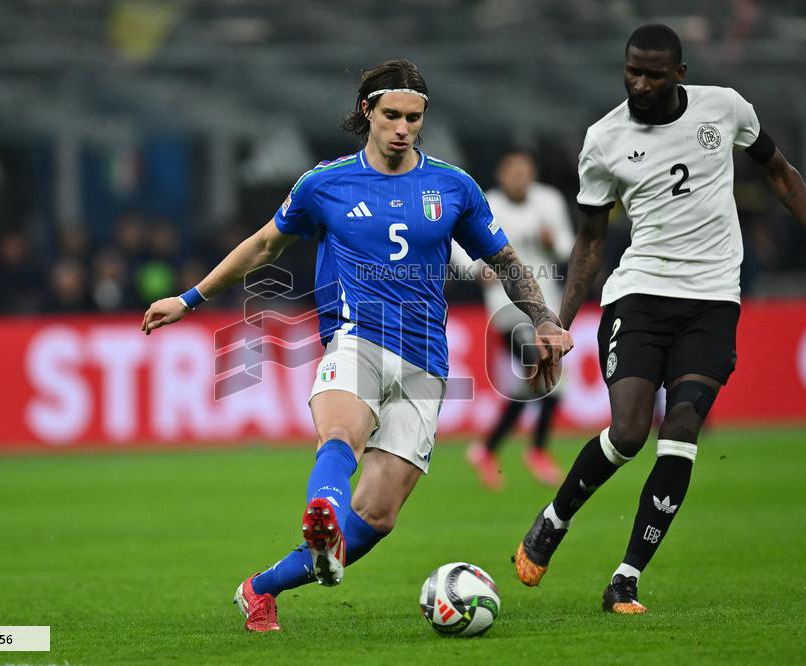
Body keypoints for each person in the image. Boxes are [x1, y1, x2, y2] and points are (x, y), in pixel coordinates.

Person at [141, 59, 572, 632]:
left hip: (426, 362)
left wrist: (542, 318)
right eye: (391, 114)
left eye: (413, 118)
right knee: (341, 432)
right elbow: (265, 246)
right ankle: (320, 512)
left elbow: (504, 260)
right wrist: (189, 299)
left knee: (375, 517)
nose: (402, 127)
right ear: (368, 112)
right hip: (356, 338)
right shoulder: (325, 183)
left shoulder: (453, 186)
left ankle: (260, 588)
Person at [513, 24, 806, 615]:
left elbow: (780, 170)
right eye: (631, 71)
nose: (639, 83)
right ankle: (555, 519)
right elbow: (590, 240)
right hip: (639, 294)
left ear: (679, 74)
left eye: (653, 74)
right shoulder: (604, 139)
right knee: (631, 432)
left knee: (682, 427)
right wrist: (559, 324)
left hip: (713, 300)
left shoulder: (725, 108)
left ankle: (626, 578)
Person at [458, 147, 576, 489]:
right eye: (512, 172)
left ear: (533, 174)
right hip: (505, 309)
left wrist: (553, 242)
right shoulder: (487, 203)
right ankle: (537, 450)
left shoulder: (549, 201)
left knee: (532, 383)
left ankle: (487, 449)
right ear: (501, 175)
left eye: (524, 172)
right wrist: (477, 269)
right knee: (545, 367)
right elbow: (458, 249)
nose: (518, 178)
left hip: (547, 309)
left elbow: (568, 248)